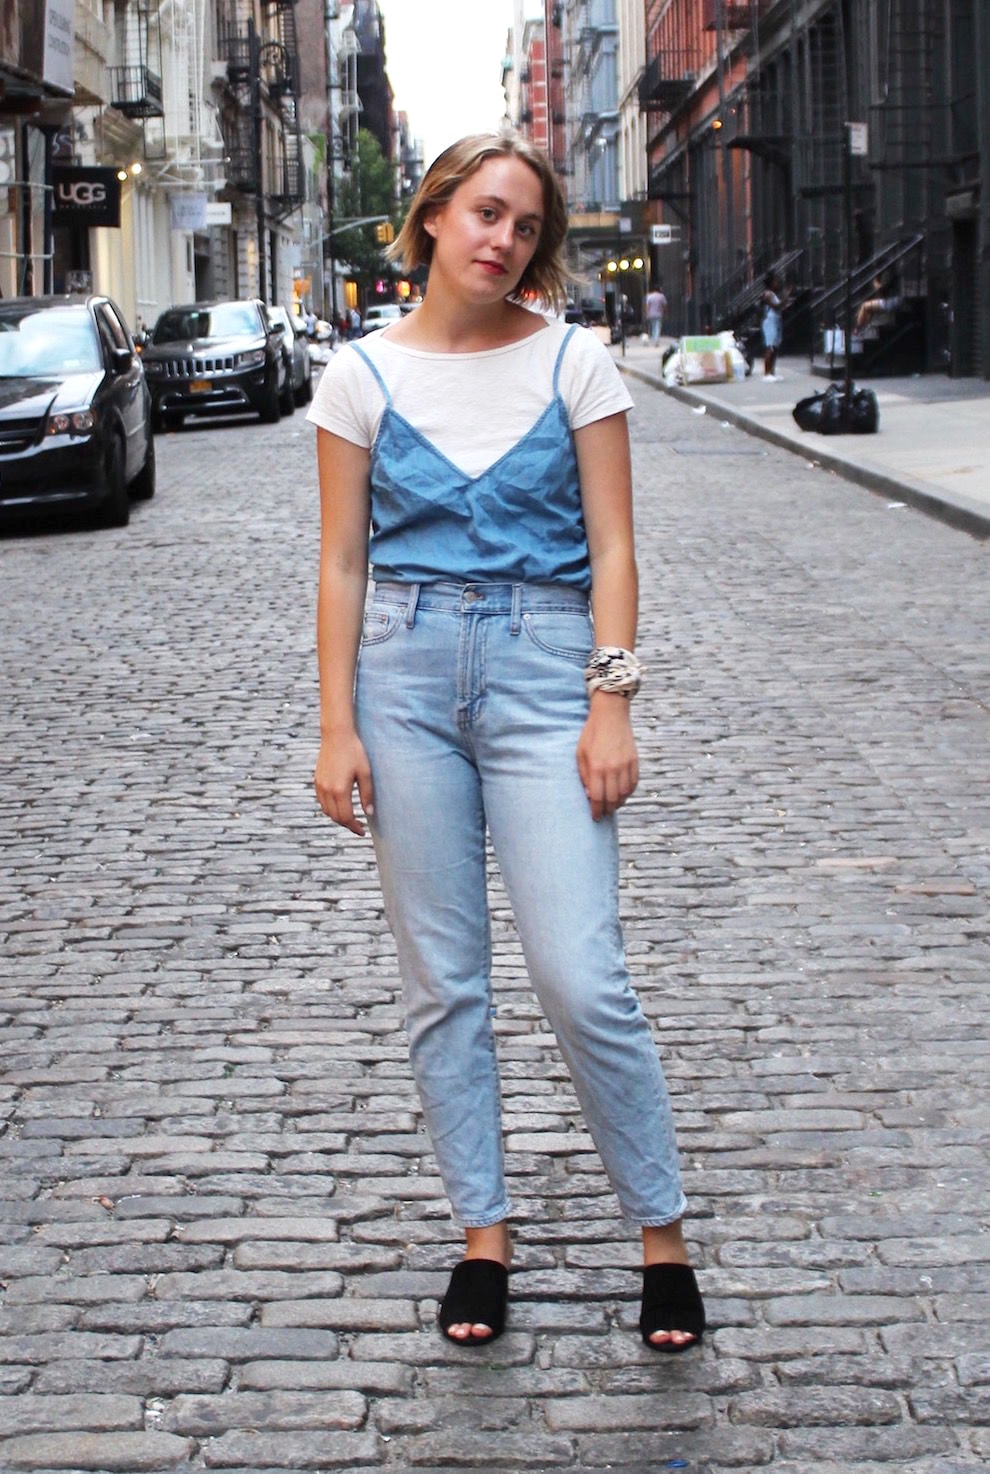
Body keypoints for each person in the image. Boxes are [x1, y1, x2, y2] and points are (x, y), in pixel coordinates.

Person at [308, 128, 704, 1354]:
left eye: (526, 225)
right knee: (446, 983)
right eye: (485, 213)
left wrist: (613, 698)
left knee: (583, 975)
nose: (503, 240)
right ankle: (483, 1234)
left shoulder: (576, 365)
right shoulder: (358, 376)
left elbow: (618, 549)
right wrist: (335, 724)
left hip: (546, 673)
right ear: (431, 215)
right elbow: (337, 562)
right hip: (407, 678)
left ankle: (662, 1233)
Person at [760, 271, 785, 379]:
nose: (777, 283)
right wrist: (786, 297)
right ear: (770, 283)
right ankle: (767, 373)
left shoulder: (773, 294)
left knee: (775, 346)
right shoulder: (767, 294)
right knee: (770, 347)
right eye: (775, 281)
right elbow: (776, 306)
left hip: (776, 321)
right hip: (770, 322)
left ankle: (772, 371)